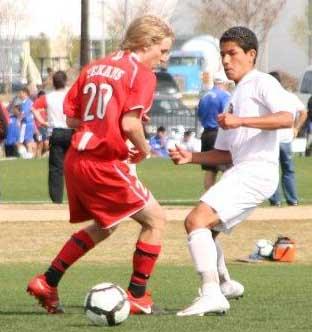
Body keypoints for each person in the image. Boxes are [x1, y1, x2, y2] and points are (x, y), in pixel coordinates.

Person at [27, 15, 174, 315]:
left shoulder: (94, 67)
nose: (165, 58)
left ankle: (48, 280)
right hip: (103, 161)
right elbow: (131, 123)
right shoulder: (141, 74)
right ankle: (137, 296)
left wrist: (104, 121)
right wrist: (145, 150)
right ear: (147, 43)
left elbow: (71, 118)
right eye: (164, 50)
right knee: (156, 220)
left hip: (77, 159)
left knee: (106, 225)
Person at [169, 26, 294, 316]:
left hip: (256, 171)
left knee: (195, 221)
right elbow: (226, 153)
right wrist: (191, 157)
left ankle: (212, 293)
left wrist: (241, 121)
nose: (225, 60)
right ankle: (224, 283)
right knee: (206, 231)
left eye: (232, 53)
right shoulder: (233, 98)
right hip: (243, 170)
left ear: (251, 55)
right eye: (222, 54)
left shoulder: (261, 82)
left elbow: (286, 117)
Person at [32, 71, 73, 203]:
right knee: (74, 166)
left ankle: (56, 200)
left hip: (56, 132)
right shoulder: (71, 95)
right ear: (65, 81)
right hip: (71, 131)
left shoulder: (49, 97)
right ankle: (77, 197)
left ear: (53, 83)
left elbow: (34, 108)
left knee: (56, 168)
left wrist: (43, 122)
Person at [268, 71, 307, 207]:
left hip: (271, 139)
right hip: (285, 139)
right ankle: (292, 200)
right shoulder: (289, 96)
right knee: (288, 170)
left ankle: (276, 201)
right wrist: (296, 128)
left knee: (273, 170)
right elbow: (303, 111)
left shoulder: (267, 97)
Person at [197, 72, 231, 190]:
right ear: (224, 83)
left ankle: (208, 199)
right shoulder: (225, 96)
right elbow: (227, 115)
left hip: (206, 133)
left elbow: (199, 115)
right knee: (227, 168)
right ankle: (225, 197)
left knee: (210, 170)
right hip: (219, 133)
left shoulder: (205, 96)